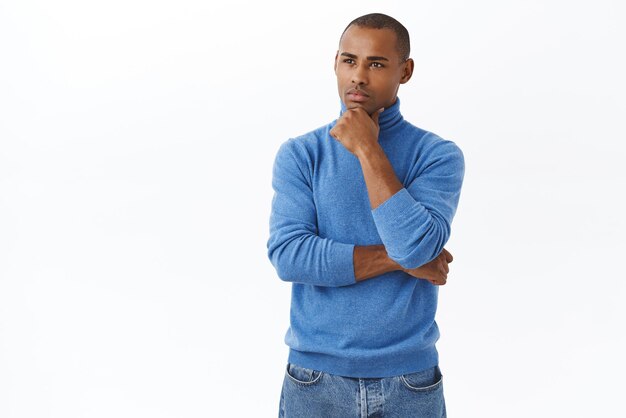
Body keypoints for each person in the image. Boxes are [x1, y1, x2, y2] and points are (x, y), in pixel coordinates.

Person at [267, 12, 464, 418]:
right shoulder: (302, 154)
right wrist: (401, 261)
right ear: (335, 62)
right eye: (349, 60)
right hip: (314, 380)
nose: (358, 76)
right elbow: (289, 255)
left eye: (376, 64)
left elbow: (416, 244)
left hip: (410, 382)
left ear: (404, 71)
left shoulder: (437, 156)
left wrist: (368, 149)